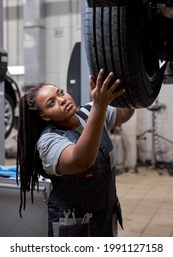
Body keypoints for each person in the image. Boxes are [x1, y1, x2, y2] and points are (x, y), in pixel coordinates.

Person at [16, 69, 135, 237]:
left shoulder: (89, 112)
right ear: (44, 116)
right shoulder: (49, 141)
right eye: (52, 103)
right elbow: (80, 160)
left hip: (105, 217)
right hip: (73, 226)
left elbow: (125, 112)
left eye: (61, 93)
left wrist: (134, 85)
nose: (62, 100)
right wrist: (99, 107)